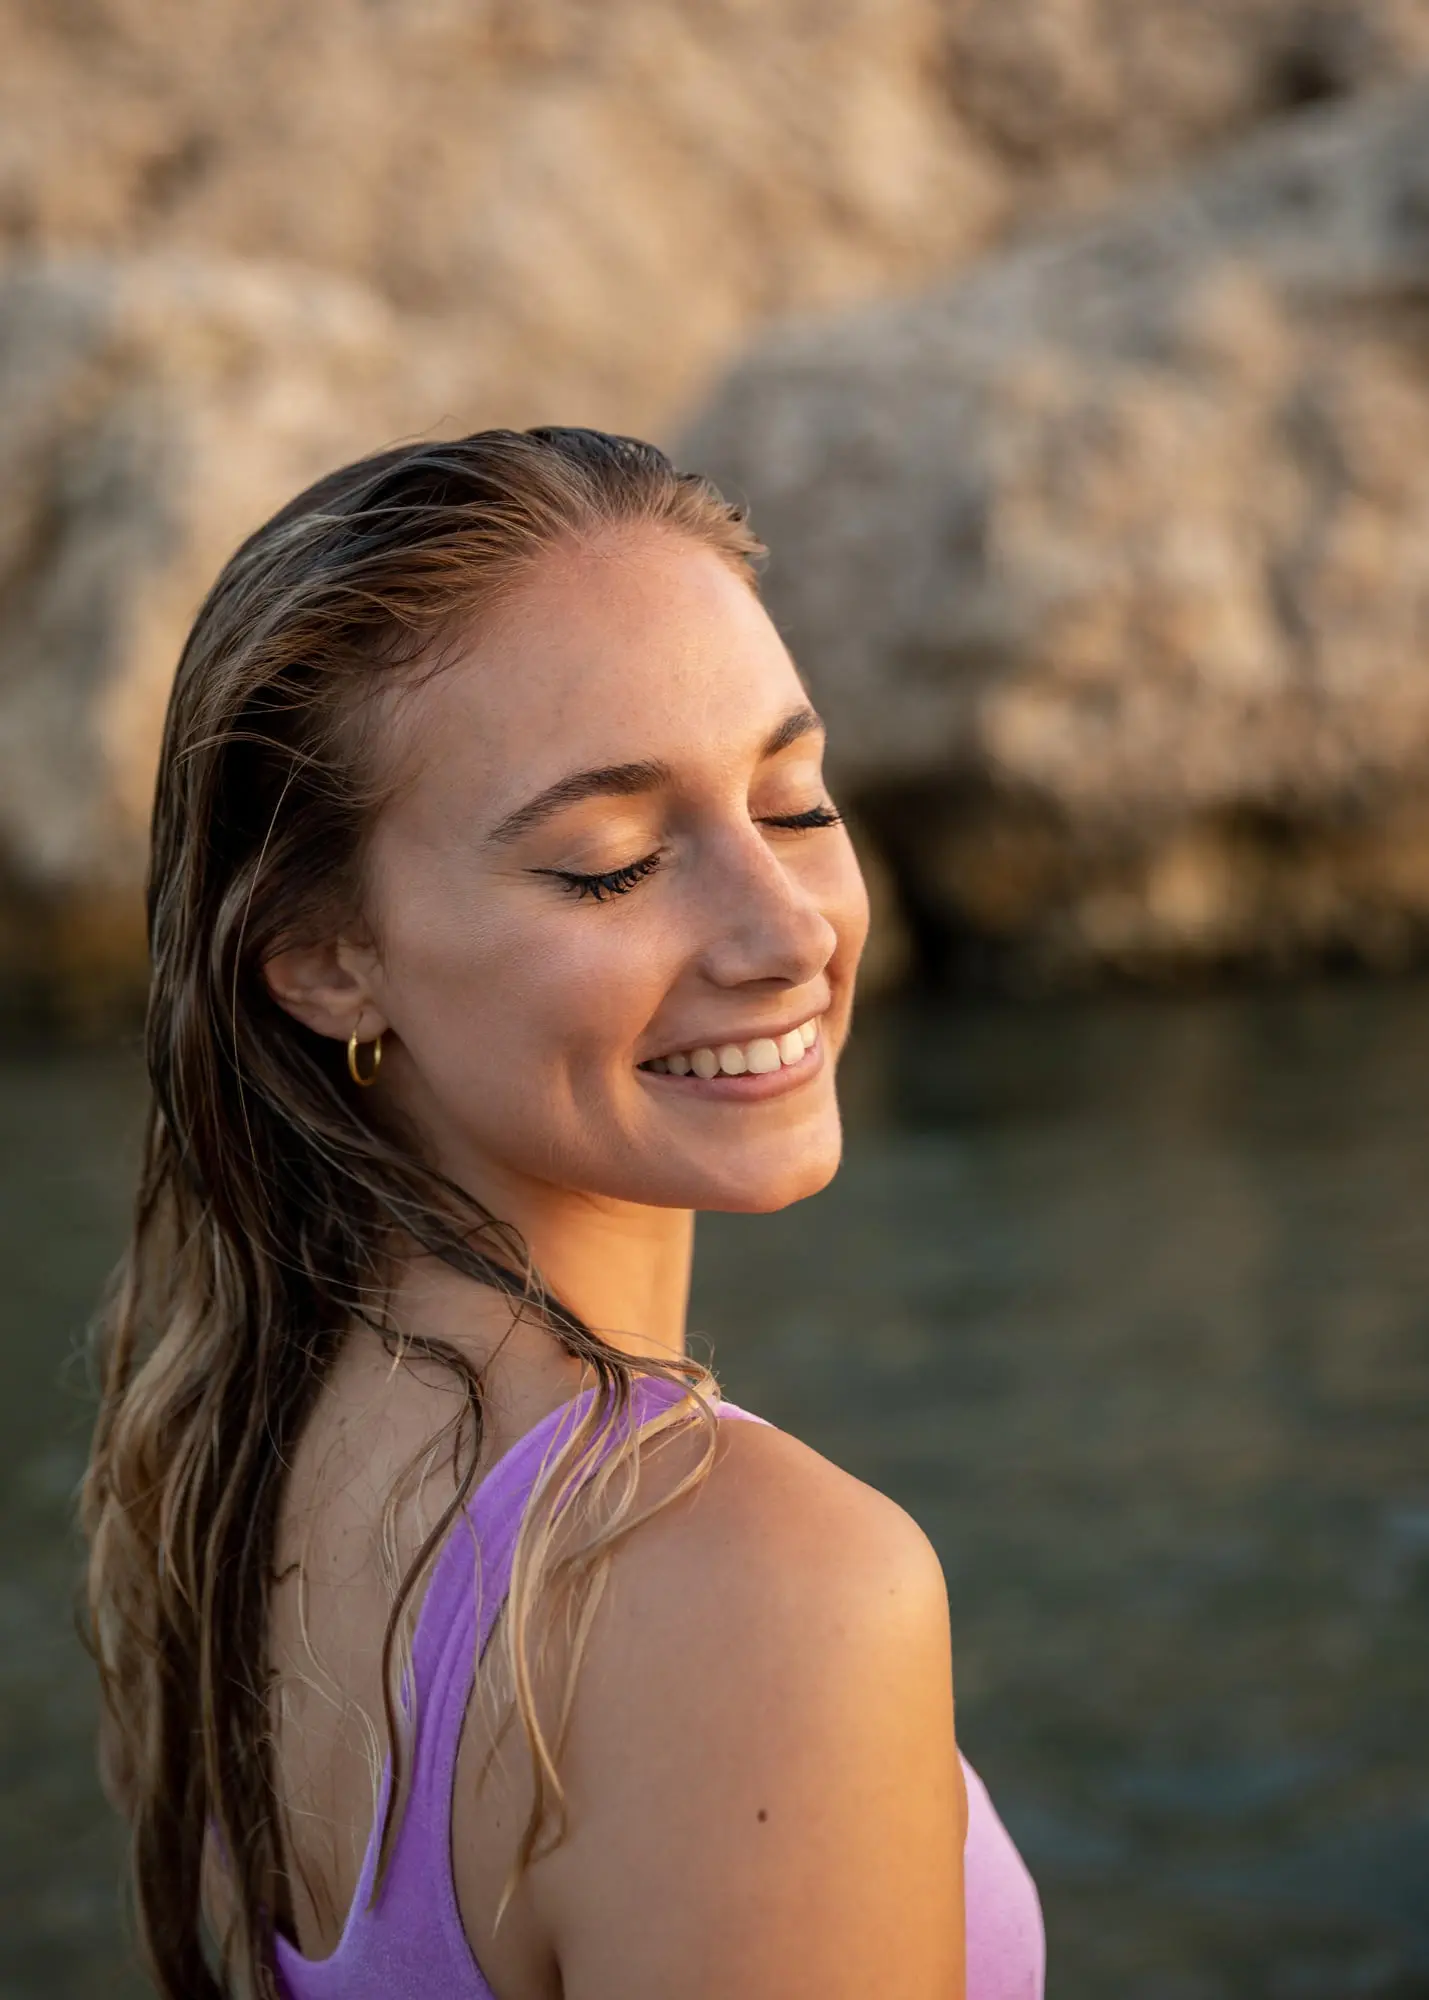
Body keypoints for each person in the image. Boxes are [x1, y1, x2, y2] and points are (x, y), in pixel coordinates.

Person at [82, 428, 1044, 2000]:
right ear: (326, 956)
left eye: (794, 801)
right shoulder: (755, 1589)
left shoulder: (238, 1451)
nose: (785, 926)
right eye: (610, 864)